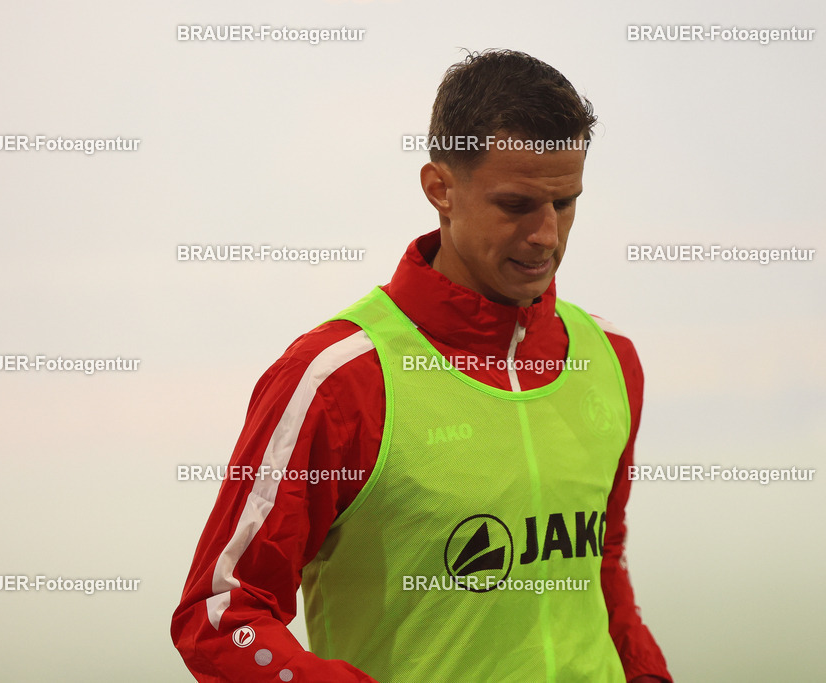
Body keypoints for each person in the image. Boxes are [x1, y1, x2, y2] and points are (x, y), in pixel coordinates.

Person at [172, 48, 673, 682]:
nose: (547, 235)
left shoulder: (610, 359)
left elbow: (602, 563)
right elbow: (221, 612)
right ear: (440, 189)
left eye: (565, 203)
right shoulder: (340, 378)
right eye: (516, 205)